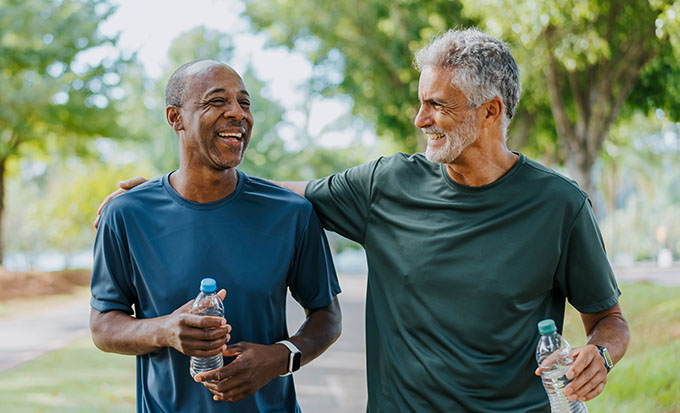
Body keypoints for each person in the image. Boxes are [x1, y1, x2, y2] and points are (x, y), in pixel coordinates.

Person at [95, 29, 629, 412]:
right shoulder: (387, 184)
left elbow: (609, 319)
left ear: (491, 112)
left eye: (437, 105)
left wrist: (600, 354)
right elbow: (278, 194)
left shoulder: (560, 205)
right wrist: (167, 186)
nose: (420, 119)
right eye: (420, 103)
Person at [89, 59, 342, 413]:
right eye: (217, 101)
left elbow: (327, 316)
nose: (238, 114)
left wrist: (280, 357)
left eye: (245, 103)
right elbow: (103, 326)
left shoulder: (291, 213)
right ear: (175, 117)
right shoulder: (127, 215)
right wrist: (165, 330)